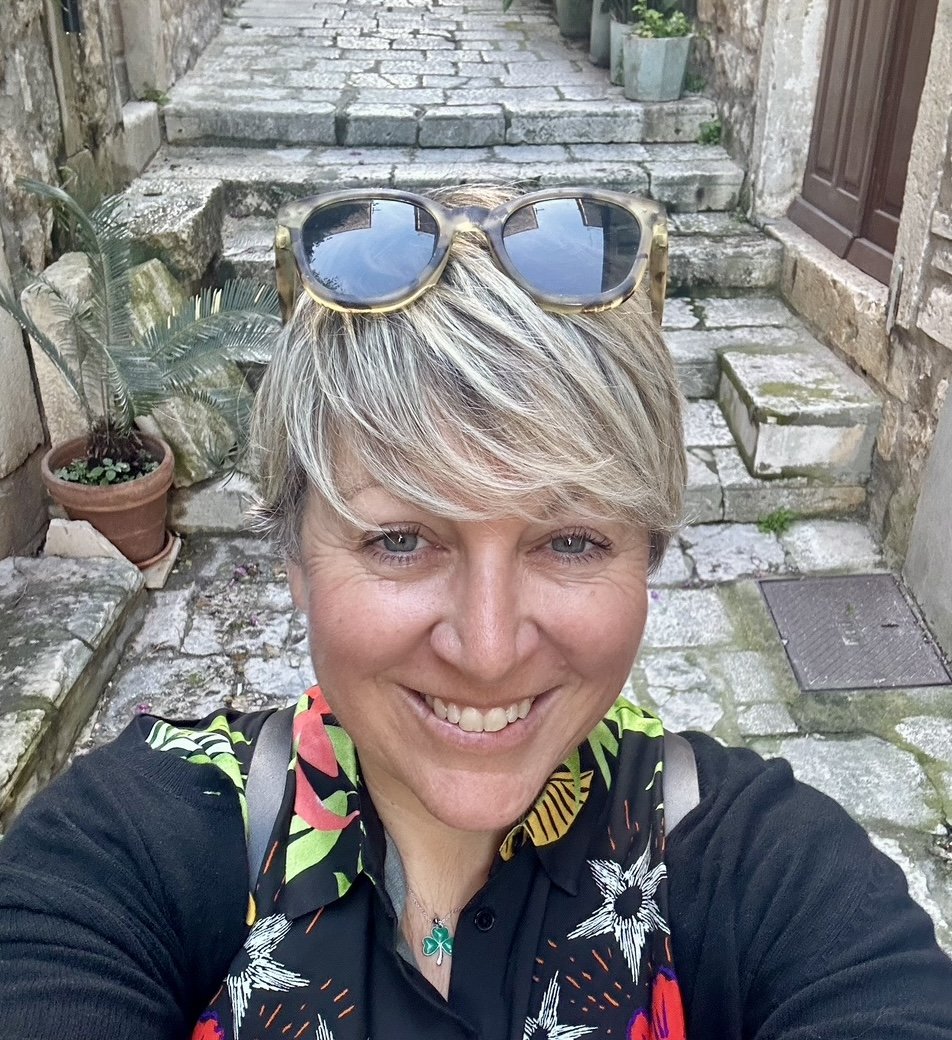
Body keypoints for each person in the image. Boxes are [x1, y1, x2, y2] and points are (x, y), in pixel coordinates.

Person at [0, 184, 950, 1040]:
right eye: (401, 540)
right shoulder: (130, 843)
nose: (489, 650)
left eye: (570, 541)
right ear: (292, 555)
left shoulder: (761, 867)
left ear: (648, 559)